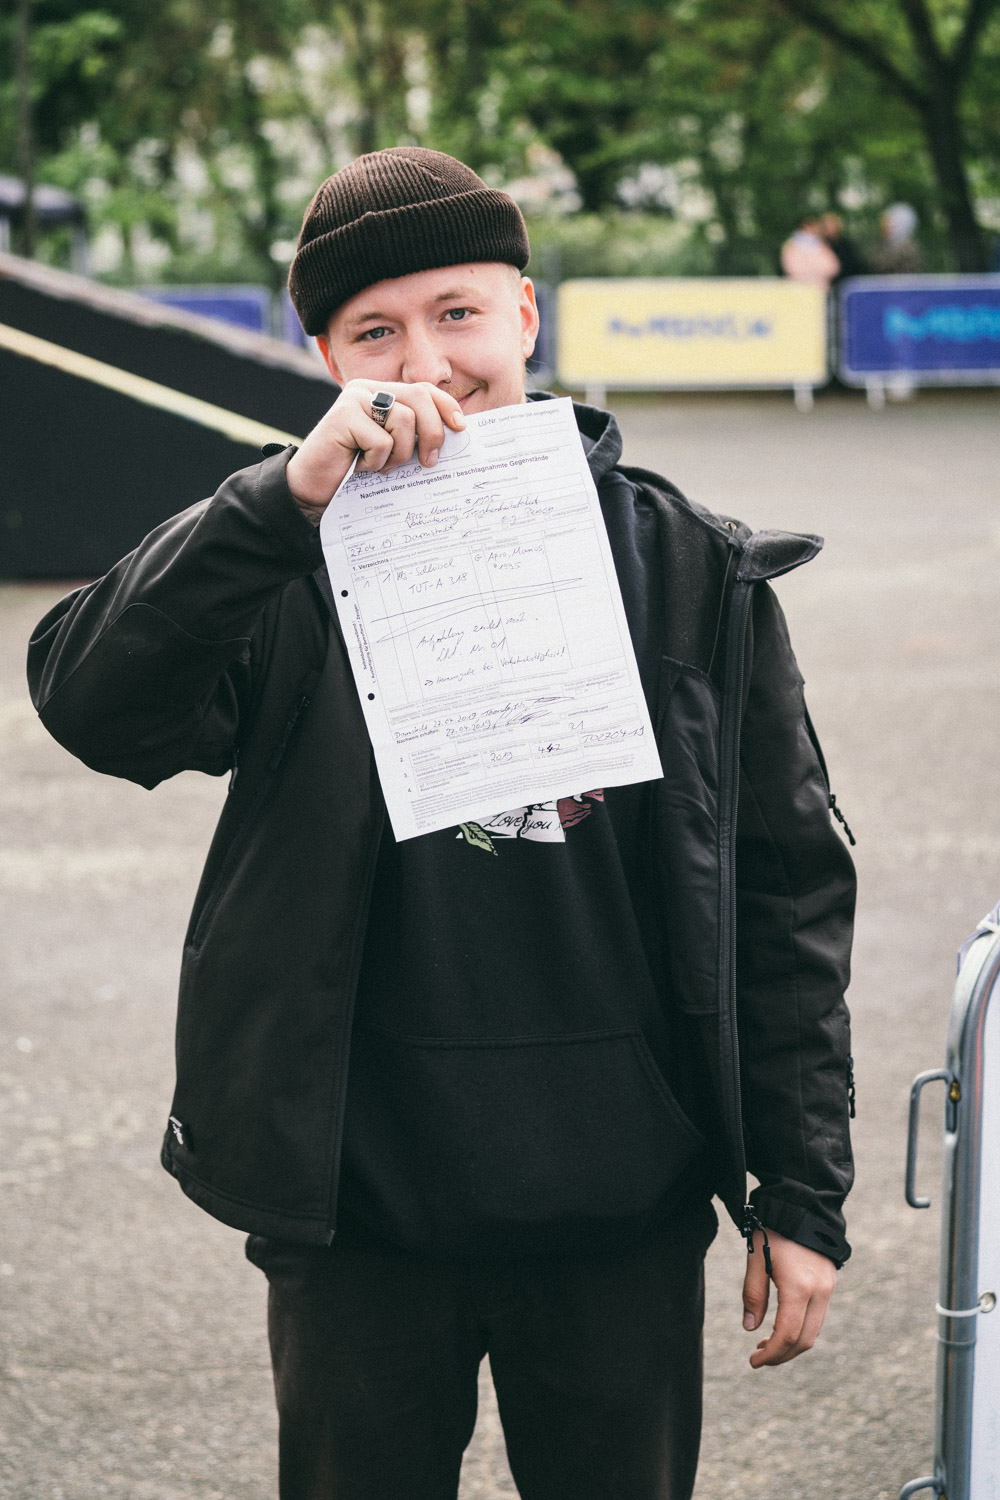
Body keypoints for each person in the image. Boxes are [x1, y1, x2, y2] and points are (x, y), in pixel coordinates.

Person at [27, 147, 856, 1500]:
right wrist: (275, 506)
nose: (428, 360)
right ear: (323, 355)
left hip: (621, 1212)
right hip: (360, 1215)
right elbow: (90, 702)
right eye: (376, 331)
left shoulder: (690, 565)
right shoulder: (283, 559)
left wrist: (801, 1193)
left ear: (527, 314)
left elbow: (786, 890)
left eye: (458, 313)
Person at [780, 212, 841, 288]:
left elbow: (833, 268)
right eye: (813, 226)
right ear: (805, 226)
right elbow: (793, 270)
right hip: (799, 289)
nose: (817, 228)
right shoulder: (791, 246)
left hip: (822, 288)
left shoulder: (822, 245)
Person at [870, 202, 923, 274]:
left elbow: (881, 266)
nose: (883, 226)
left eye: (888, 223)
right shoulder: (888, 247)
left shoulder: (907, 250)